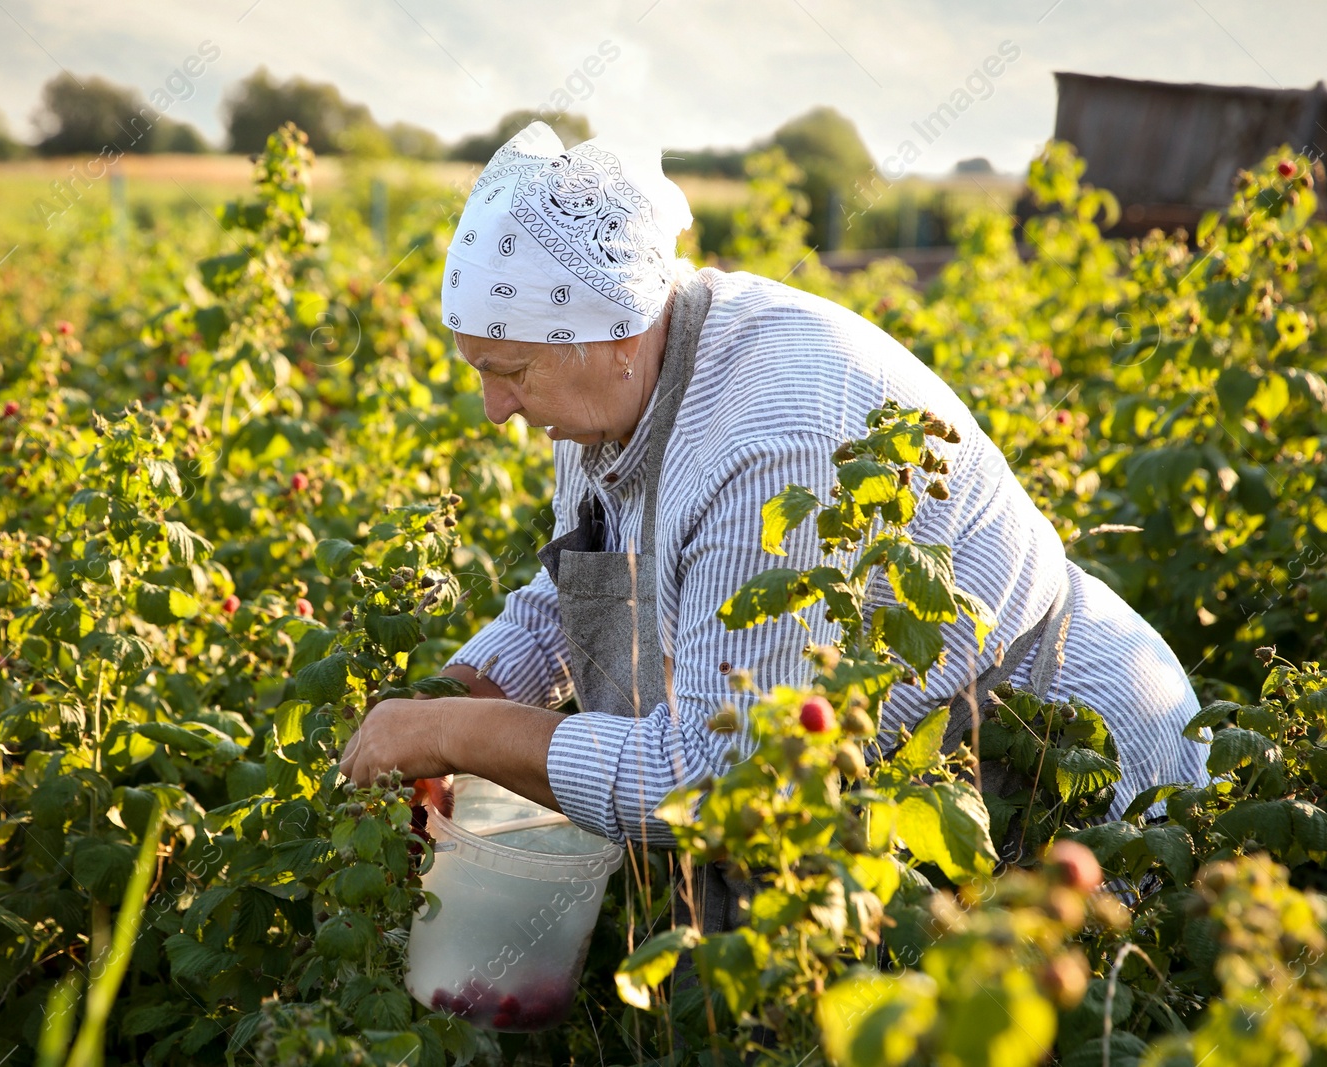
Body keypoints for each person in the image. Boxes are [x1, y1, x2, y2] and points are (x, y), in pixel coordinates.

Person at [338, 122, 1209, 928]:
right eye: (482, 371)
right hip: (895, 786)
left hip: (1055, 781)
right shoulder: (603, 395)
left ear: (615, 334)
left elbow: (719, 779)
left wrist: (457, 734)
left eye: (511, 371)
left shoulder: (770, 438)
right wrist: (449, 697)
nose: (495, 409)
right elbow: (580, 579)